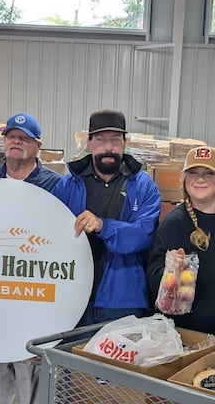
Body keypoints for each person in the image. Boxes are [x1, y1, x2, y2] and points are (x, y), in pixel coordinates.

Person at [0, 112, 61, 404]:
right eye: (11, 136)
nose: (16, 142)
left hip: (31, 295)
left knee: (29, 371)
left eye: (24, 138)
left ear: (37, 145)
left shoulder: (55, 186)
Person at [52, 109, 161, 327]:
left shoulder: (144, 186)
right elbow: (49, 236)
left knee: (115, 362)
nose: (108, 147)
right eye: (100, 140)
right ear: (89, 143)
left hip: (122, 301)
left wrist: (103, 226)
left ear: (125, 142)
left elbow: (143, 235)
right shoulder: (66, 186)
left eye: (115, 140)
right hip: (72, 297)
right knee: (70, 360)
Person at [147, 146, 215, 342]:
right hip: (194, 339)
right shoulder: (174, 223)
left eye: (209, 173)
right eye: (193, 173)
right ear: (185, 179)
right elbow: (155, 281)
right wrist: (173, 271)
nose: (200, 179)